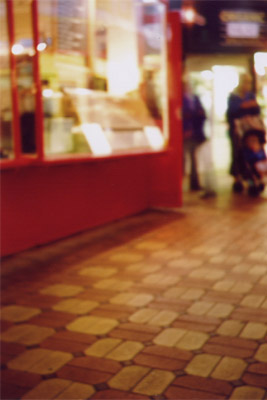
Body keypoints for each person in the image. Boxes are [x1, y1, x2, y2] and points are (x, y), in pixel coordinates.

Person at [226, 73, 260, 192]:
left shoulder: (250, 95)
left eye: (249, 82)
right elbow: (231, 112)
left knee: (251, 153)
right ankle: (237, 177)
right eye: (246, 81)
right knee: (237, 154)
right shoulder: (233, 96)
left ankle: (253, 176)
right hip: (237, 130)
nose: (247, 85)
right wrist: (244, 106)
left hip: (250, 130)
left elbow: (256, 110)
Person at [182, 81, 206, 191]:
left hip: (193, 133)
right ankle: (184, 184)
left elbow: (202, 114)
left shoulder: (193, 98)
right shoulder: (184, 99)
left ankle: (193, 183)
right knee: (185, 159)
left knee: (190, 158)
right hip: (185, 133)